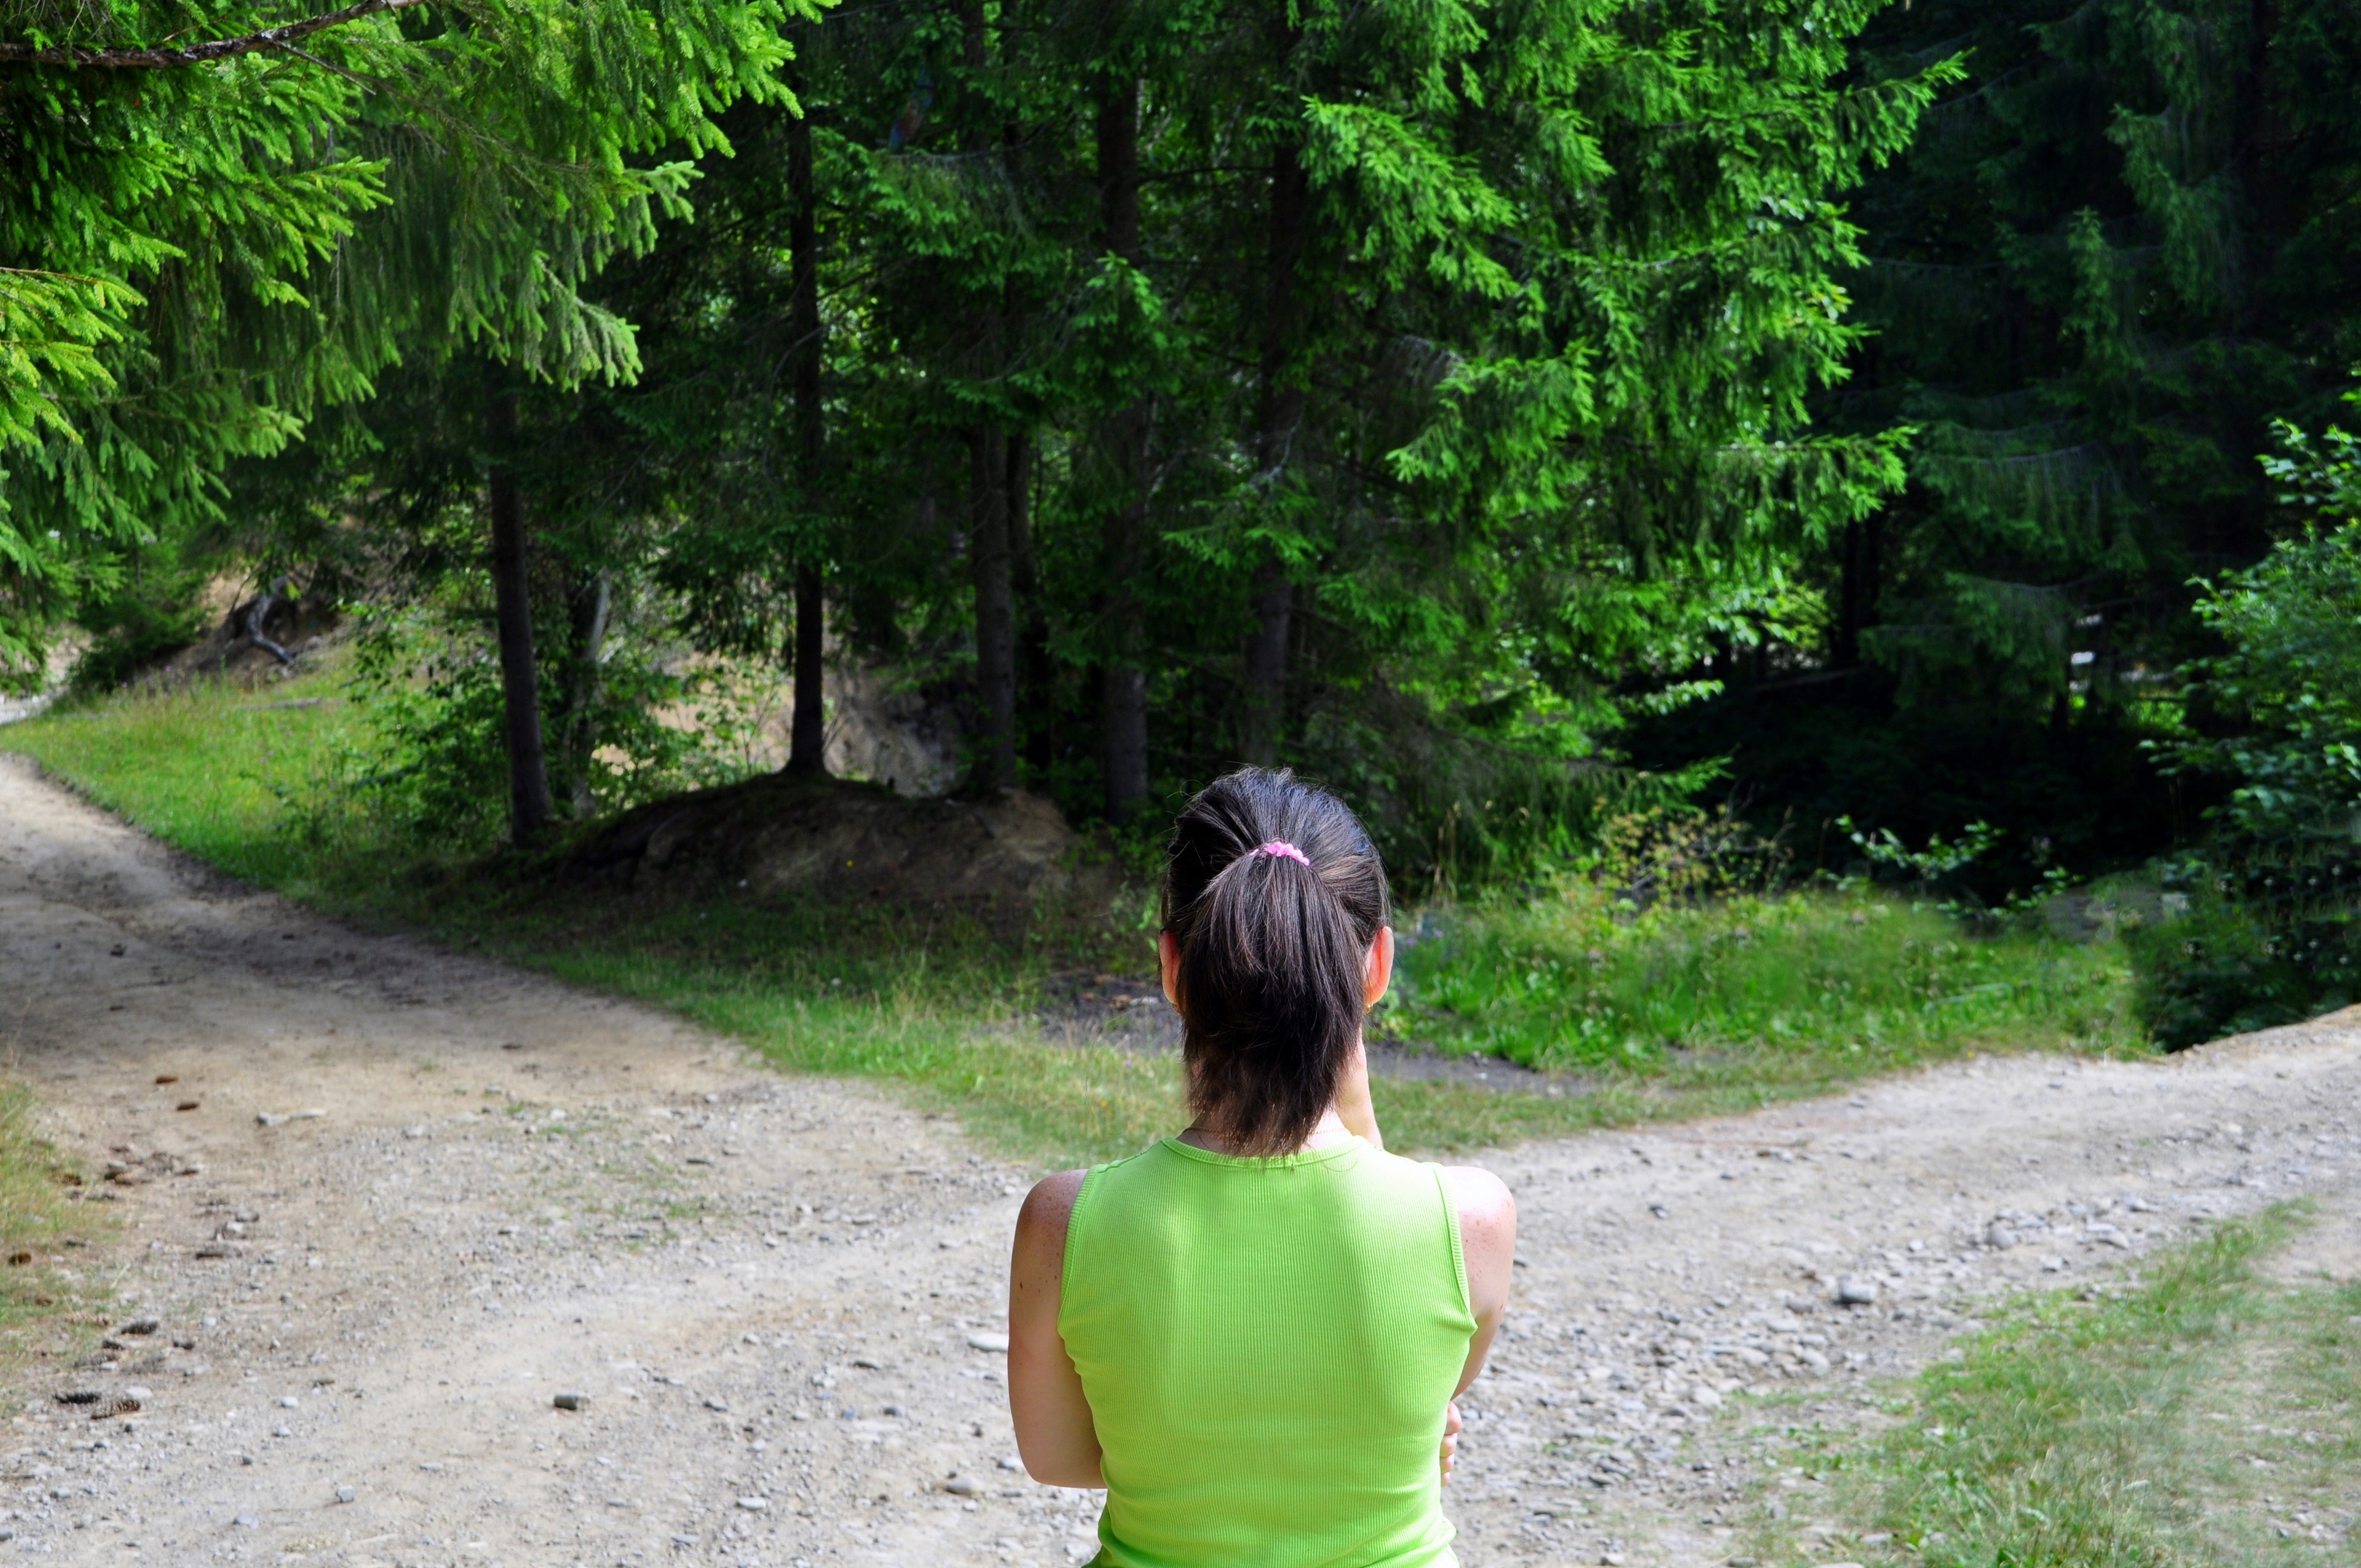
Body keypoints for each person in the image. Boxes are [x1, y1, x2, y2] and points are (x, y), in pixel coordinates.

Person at [1006, 767, 1517, 1568]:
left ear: (1174, 967)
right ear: (1375, 967)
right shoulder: (1471, 1219)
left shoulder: (1064, 1221)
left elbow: (1055, 1456)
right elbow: (1419, 1404)